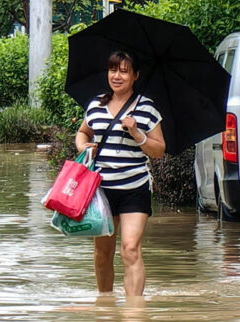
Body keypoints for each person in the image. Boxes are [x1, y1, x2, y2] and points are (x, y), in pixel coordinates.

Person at [74, 50, 166, 297]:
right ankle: (105, 304)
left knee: (130, 249)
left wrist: (138, 134)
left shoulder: (146, 108)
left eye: (124, 71)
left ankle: (134, 311)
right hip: (100, 190)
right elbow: (83, 133)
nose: (117, 76)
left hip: (135, 188)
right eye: (113, 70)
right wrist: (83, 146)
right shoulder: (95, 105)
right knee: (103, 253)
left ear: (135, 76)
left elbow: (159, 150)